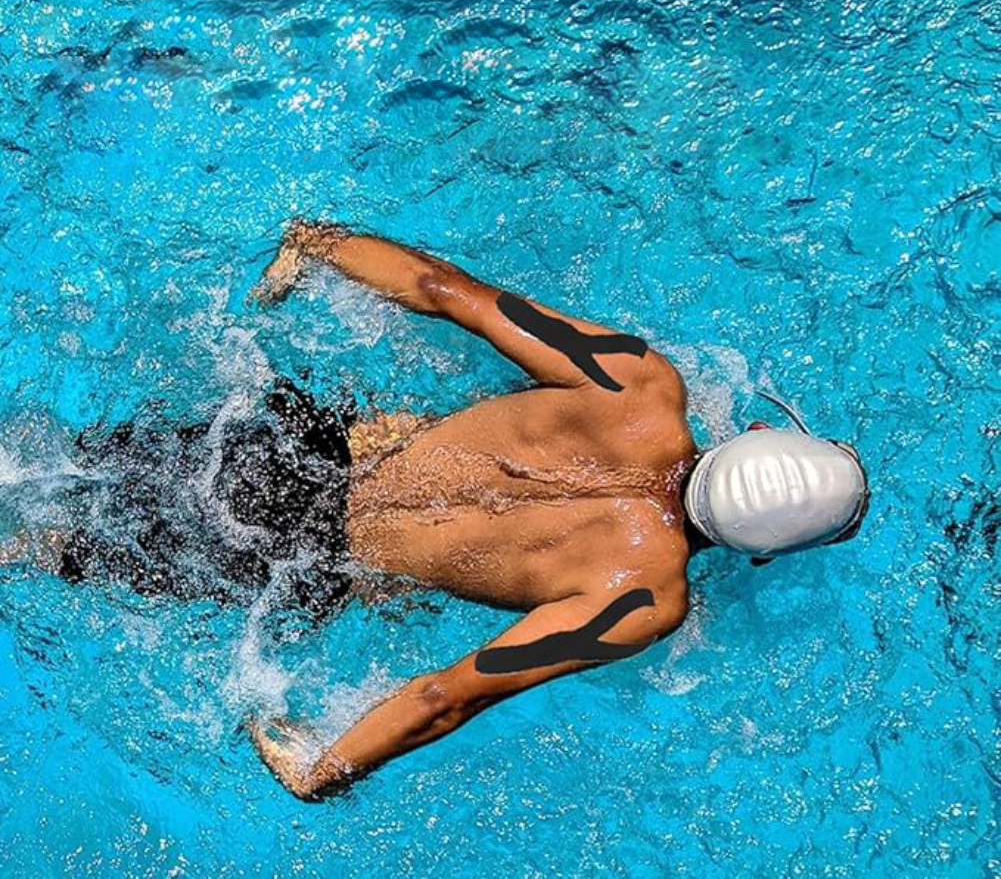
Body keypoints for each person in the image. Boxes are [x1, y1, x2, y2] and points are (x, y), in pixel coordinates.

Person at [245, 219, 870, 799]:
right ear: (760, 556)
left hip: (302, 446)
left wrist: (315, 244)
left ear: (757, 430)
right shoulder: (643, 601)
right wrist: (319, 771)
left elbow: (441, 288)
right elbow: (446, 696)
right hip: (302, 566)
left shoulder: (637, 382)